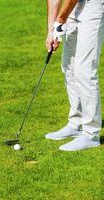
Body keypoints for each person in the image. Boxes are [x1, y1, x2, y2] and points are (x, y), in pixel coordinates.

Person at [45, 0, 104, 151]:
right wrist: (51, 30)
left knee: (84, 70)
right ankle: (76, 123)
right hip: (72, 6)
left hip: (94, 5)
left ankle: (91, 133)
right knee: (68, 66)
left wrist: (61, 18)